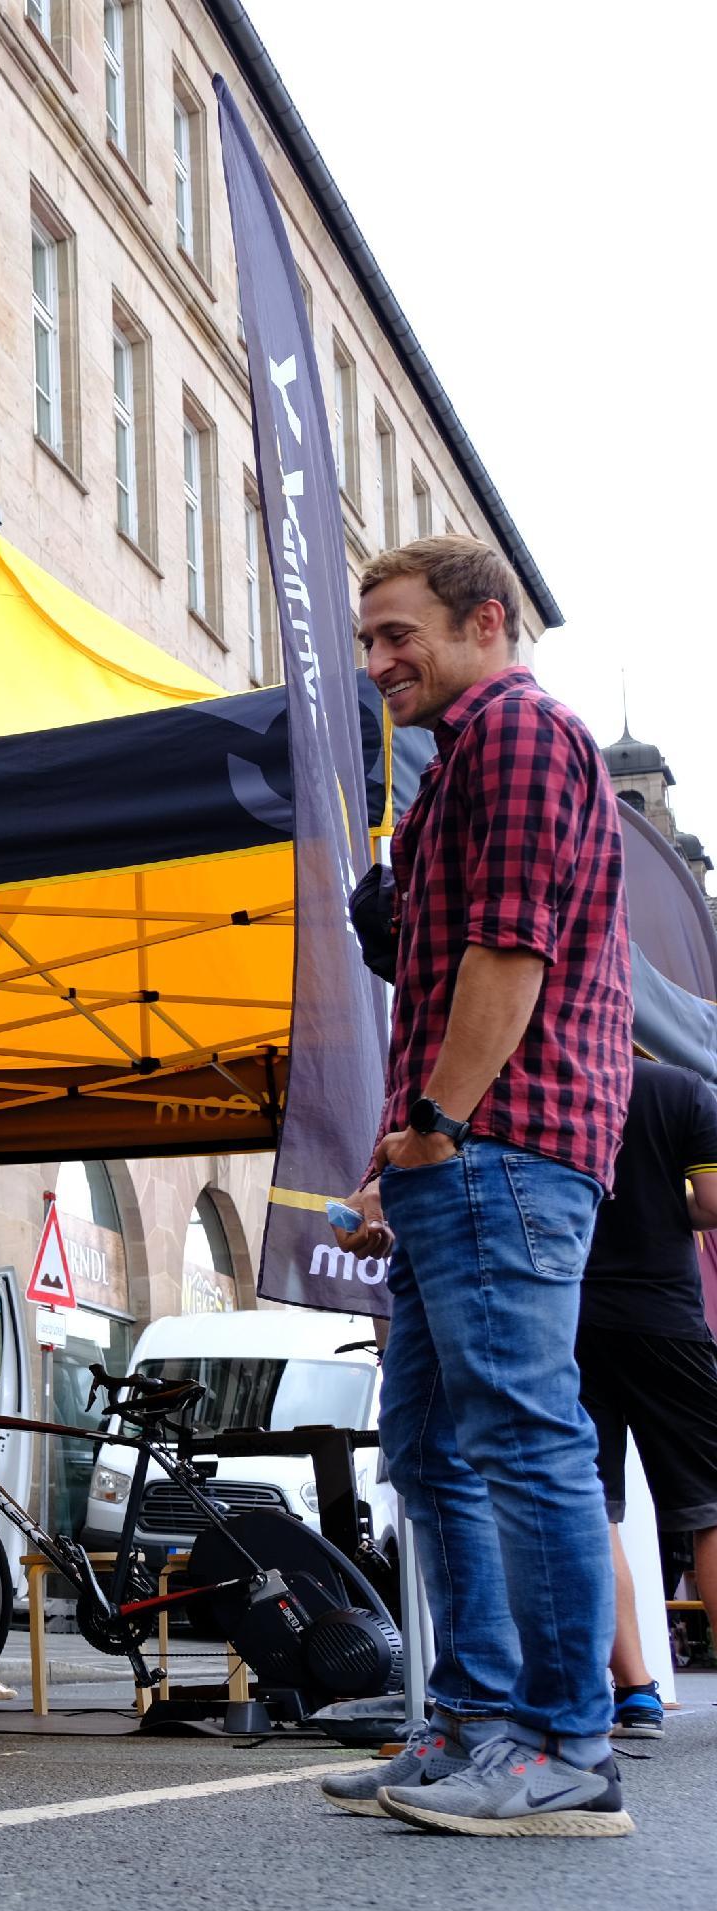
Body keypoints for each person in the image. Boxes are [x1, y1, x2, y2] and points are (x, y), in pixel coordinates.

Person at [322, 535, 635, 1835]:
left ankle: (565, 1745)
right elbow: (447, 981)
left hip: (501, 1144)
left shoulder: (513, 732)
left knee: (516, 1436)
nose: (378, 660)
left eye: (400, 633)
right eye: (368, 640)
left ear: (486, 621)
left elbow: (511, 954)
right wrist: (395, 1155)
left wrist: (440, 1124)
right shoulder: (460, 759)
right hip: (465, 1151)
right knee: (431, 1449)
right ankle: (474, 1724)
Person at [574, 1054, 717, 1739]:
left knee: (592, 1508)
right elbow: (714, 1203)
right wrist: (665, 1200)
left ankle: (634, 1692)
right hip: (665, 1319)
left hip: (567, 1321)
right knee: (711, 1505)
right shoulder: (680, 1090)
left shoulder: (546, 1086)